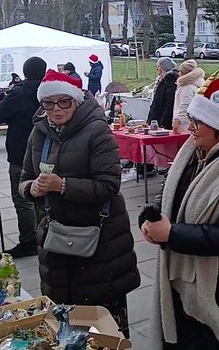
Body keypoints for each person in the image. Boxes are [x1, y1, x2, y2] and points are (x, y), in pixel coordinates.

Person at [140, 76, 219, 349]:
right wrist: (149, 219)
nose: (190, 128)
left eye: (197, 123)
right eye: (191, 119)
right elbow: (170, 194)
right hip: (187, 280)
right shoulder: (193, 152)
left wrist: (172, 233)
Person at [19, 70, 140, 336]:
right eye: (48, 103)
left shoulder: (97, 131)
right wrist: (33, 188)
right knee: (68, 324)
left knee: (105, 329)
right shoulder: (38, 132)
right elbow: (24, 180)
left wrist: (62, 185)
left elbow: (109, 185)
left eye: (64, 101)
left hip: (98, 242)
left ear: (76, 101)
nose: (55, 109)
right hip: (55, 242)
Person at [0, 57, 46, 258]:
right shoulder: (50, 92)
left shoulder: (17, 94)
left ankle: (29, 240)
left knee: (23, 198)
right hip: (48, 153)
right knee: (46, 197)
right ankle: (47, 235)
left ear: (25, 72)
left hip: (21, 153)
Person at [173, 59, 205, 130]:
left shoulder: (187, 88)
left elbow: (185, 106)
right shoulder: (195, 85)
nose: (178, 73)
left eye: (180, 71)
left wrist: (178, 121)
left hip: (184, 125)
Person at [148, 57, 178, 130]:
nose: (156, 69)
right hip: (157, 118)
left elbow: (169, 103)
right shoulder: (162, 80)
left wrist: (163, 122)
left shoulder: (170, 81)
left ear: (162, 68)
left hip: (162, 120)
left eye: (158, 67)